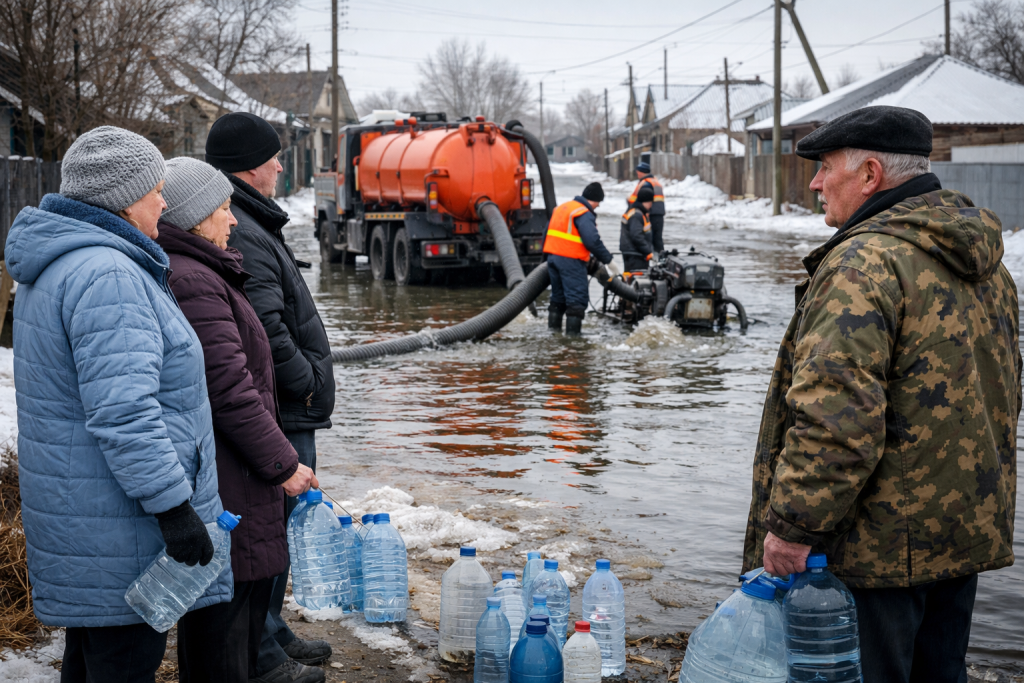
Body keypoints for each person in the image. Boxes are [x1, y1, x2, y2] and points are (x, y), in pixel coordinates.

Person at [742, 106, 1020, 683]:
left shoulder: (863, 263)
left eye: (824, 168)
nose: (815, 183)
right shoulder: (989, 264)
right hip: (959, 537)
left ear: (870, 175)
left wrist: (793, 529)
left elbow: (834, 421)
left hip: (875, 556)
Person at [5, 126, 230, 682]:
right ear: (127, 200)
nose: (165, 201)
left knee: (93, 658)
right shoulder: (108, 274)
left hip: (87, 515)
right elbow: (124, 412)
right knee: (122, 663)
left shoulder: (64, 264)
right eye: (157, 189)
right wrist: (175, 509)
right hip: (122, 523)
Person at [155, 158, 321, 682]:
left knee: (241, 605)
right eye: (223, 209)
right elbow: (229, 391)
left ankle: (260, 665)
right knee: (223, 621)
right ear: (197, 215)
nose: (231, 221)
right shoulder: (195, 281)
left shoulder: (206, 271)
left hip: (240, 471)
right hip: (233, 474)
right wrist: (283, 463)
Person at [205, 112, 335, 683]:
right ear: (248, 166)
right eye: (274, 157)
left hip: (283, 405)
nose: (283, 165)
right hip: (280, 407)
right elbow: (265, 324)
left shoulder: (252, 221)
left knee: (273, 530)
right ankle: (262, 655)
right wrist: (304, 378)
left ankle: (272, 635)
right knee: (266, 528)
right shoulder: (244, 228)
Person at [542, 182, 618, 336]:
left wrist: (546, 260)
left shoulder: (562, 208)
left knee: (558, 299)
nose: (597, 207)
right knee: (576, 301)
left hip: (553, 259)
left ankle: (553, 336)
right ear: (595, 200)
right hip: (571, 261)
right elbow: (592, 240)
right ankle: (573, 343)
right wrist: (609, 261)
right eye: (598, 203)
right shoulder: (583, 213)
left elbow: (546, 234)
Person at [627, 161, 665, 252]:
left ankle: (654, 259)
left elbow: (644, 199)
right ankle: (662, 259)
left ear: (641, 172)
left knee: (650, 238)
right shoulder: (655, 181)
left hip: (650, 213)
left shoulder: (646, 184)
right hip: (659, 214)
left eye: (638, 171)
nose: (637, 173)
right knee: (657, 238)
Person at [619, 185, 655, 273]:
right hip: (635, 254)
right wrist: (648, 251)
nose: (651, 206)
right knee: (637, 277)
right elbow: (636, 236)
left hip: (631, 252)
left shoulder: (636, 212)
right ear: (646, 202)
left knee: (629, 276)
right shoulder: (637, 215)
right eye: (650, 203)